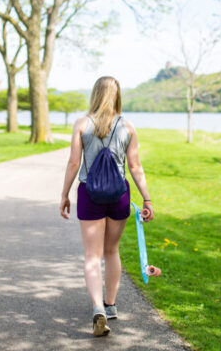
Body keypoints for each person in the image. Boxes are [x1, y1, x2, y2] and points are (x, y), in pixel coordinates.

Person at [60, 76, 154, 337]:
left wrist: (64, 194)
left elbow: (72, 164)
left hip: (90, 195)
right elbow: (135, 166)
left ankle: (97, 308)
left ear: (95, 95)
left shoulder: (82, 124)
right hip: (118, 195)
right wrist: (146, 199)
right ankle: (110, 306)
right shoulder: (127, 126)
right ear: (117, 96)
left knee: (92, 256)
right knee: (111, 251)